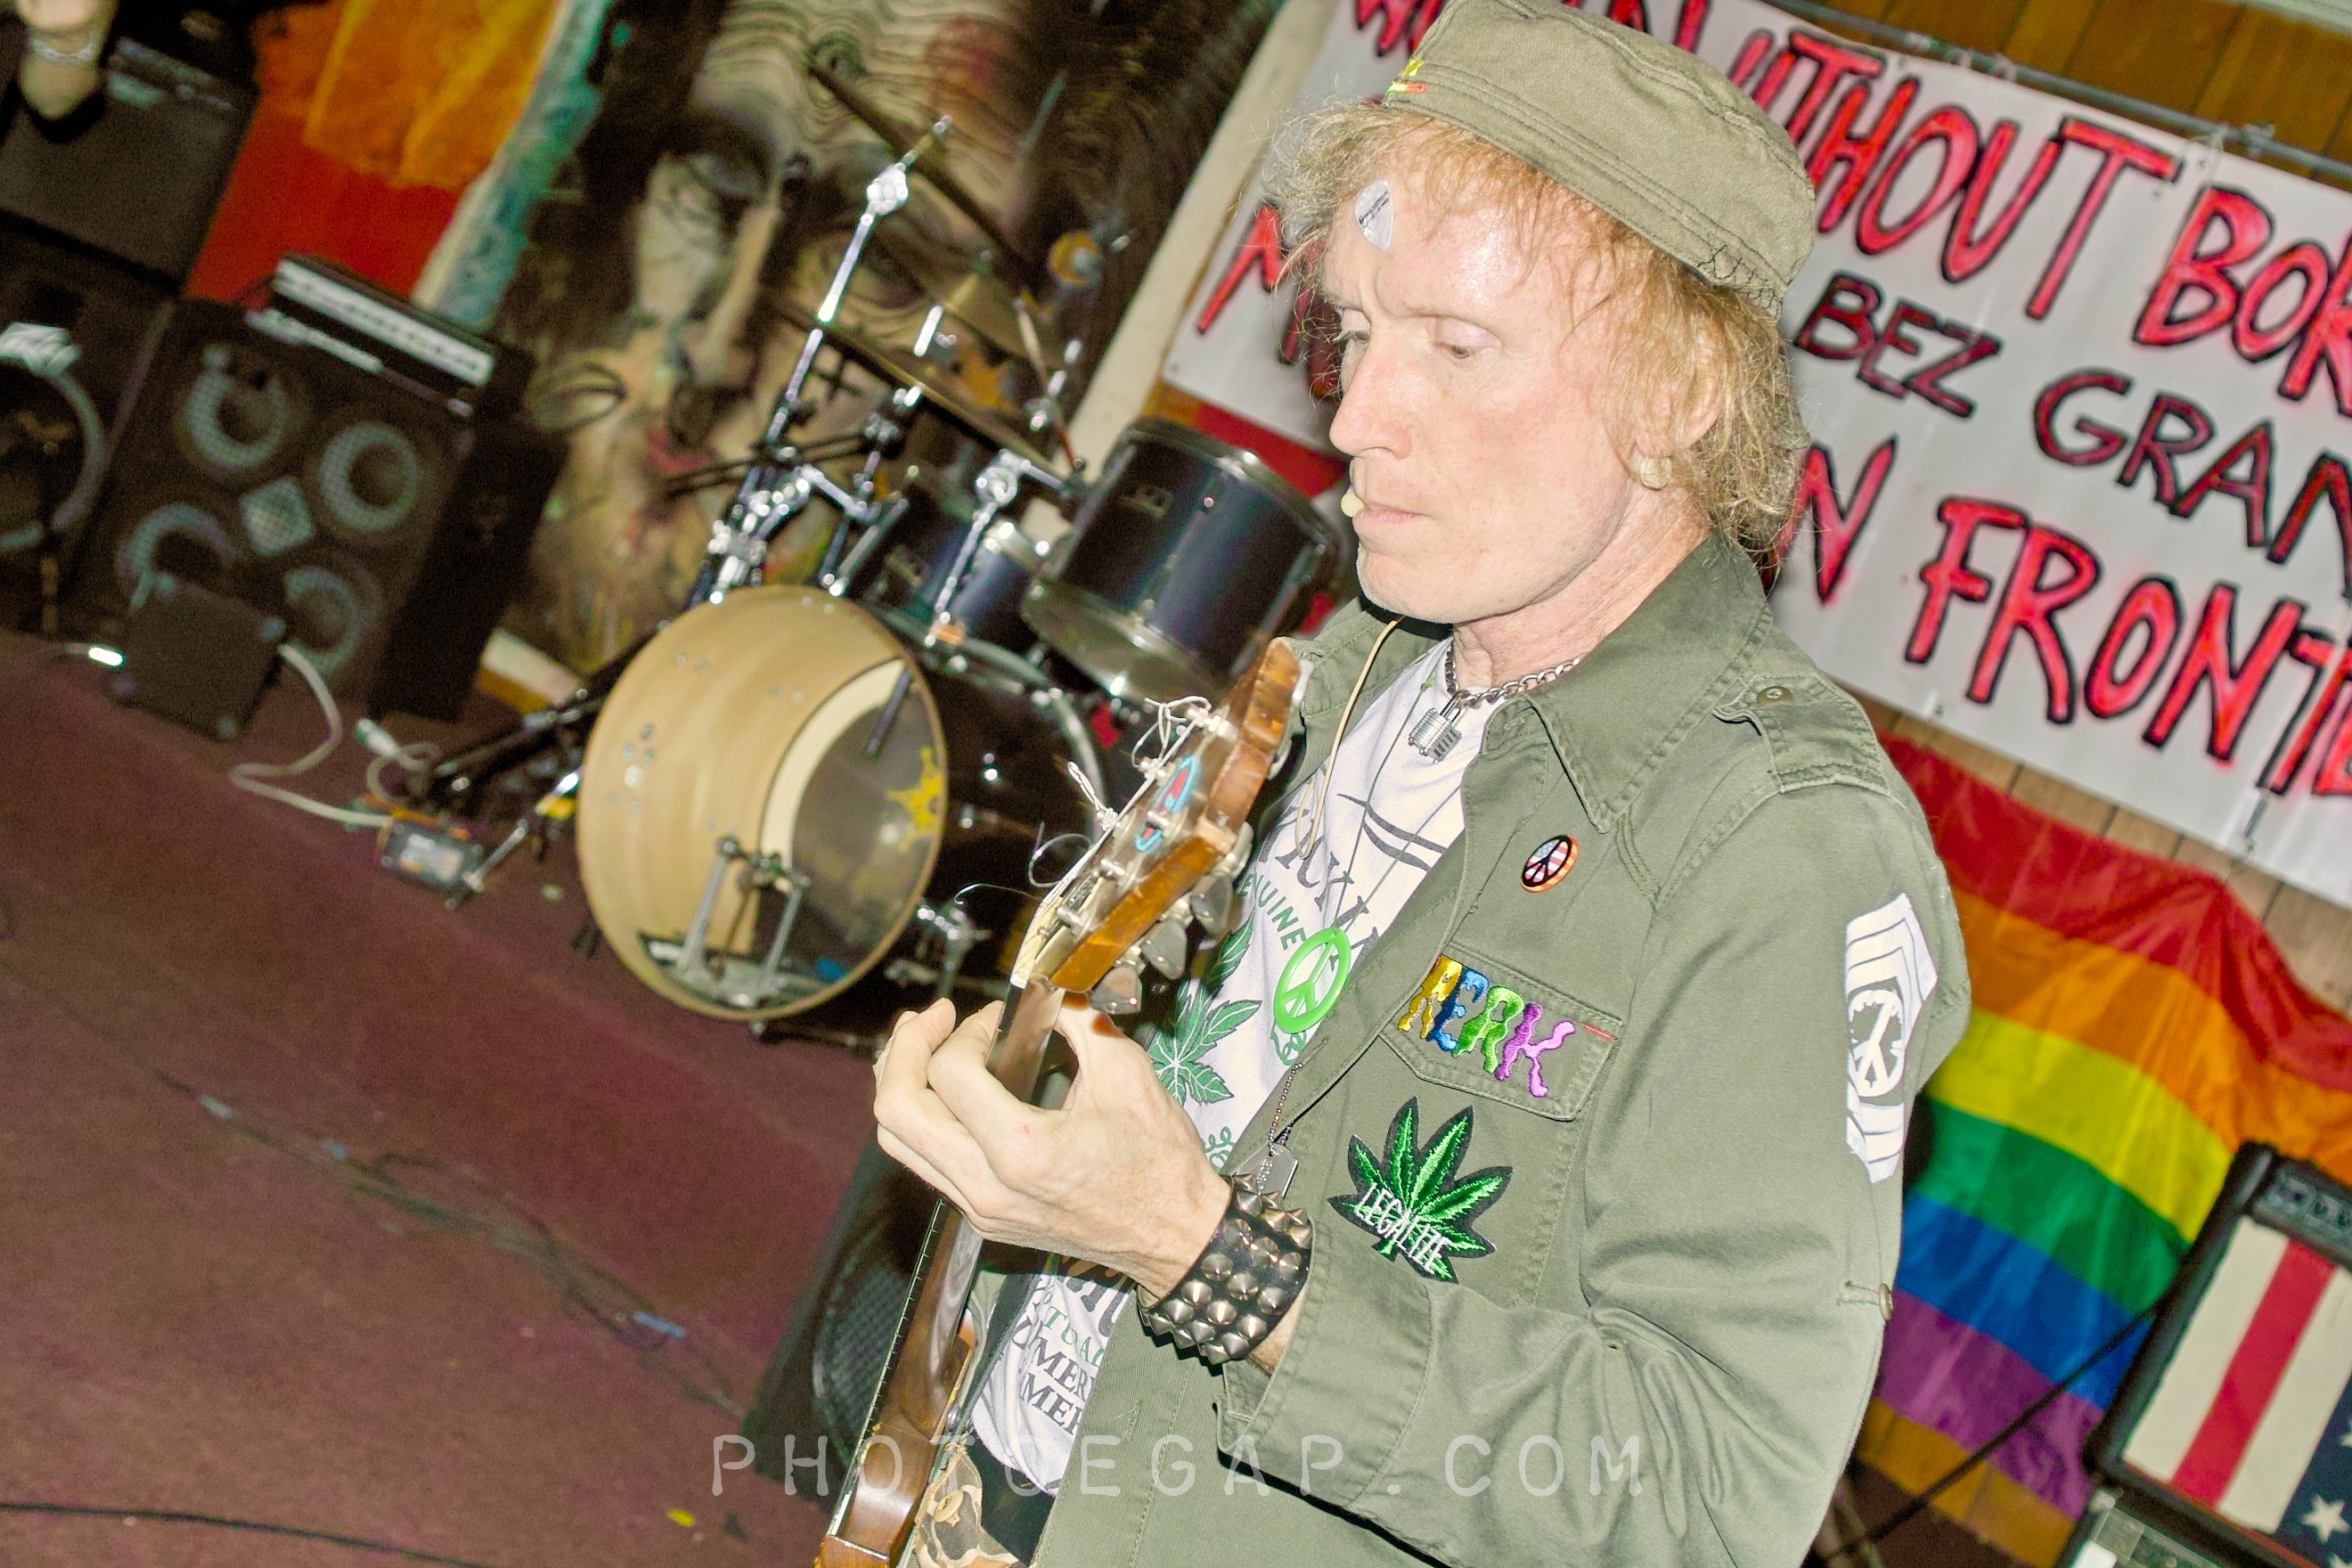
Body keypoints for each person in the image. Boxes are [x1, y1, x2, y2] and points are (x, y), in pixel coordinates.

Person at [870, 2, 1971, 1564]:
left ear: (1681, 394)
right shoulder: (1356, 663)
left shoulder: (1782, 848)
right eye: (1358, 331)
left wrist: (1202, 1253)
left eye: (1458, 347)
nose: (1355, 417)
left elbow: (1712, 1502)